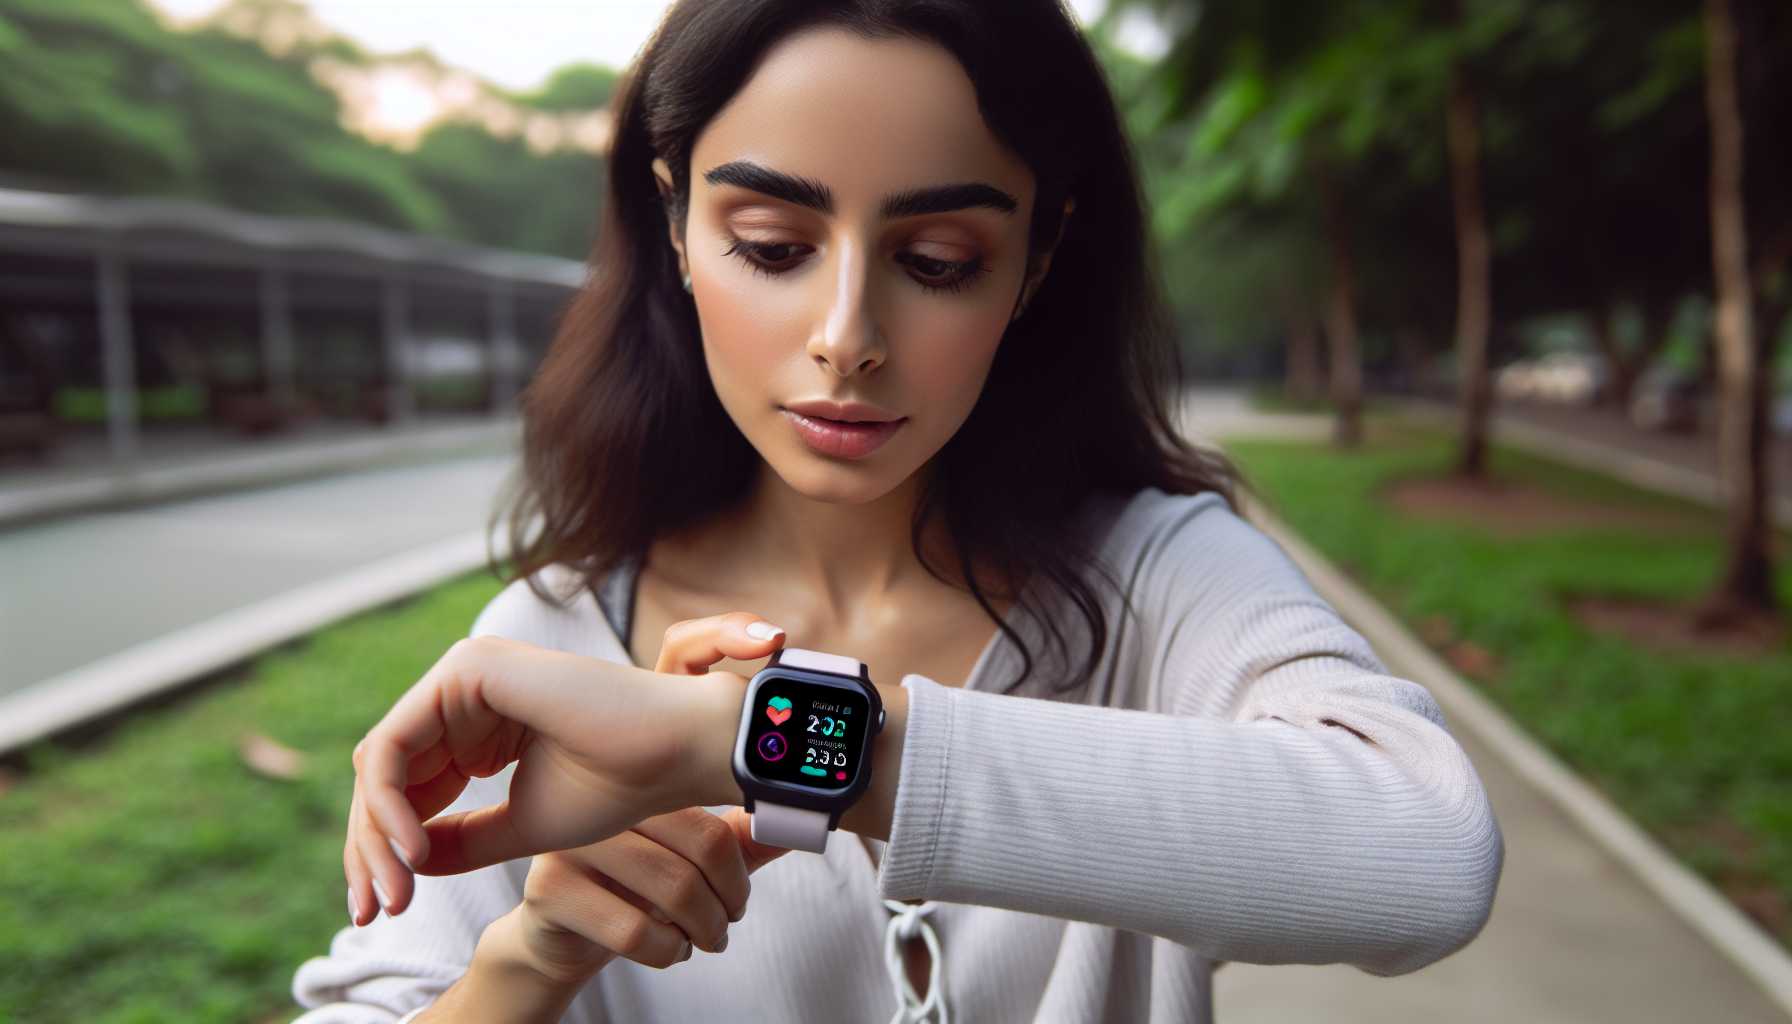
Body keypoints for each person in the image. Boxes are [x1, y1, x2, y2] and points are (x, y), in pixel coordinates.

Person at [291, 2, 1505, 1021]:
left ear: (1037, 261)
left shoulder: (1157, 578)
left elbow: (1427, 852)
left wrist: (758, 736)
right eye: (771, 244)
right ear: (674, 224)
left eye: (937, 261)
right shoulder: (550, 649)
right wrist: (532, 958)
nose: (846, 338)